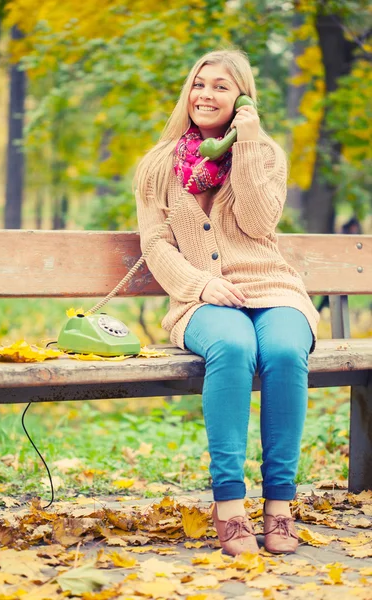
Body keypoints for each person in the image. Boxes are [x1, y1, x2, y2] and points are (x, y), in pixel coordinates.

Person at [133, 49, 320, 556]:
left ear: (241, 97)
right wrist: (199, 285)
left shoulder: (264, 155)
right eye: (199, 84)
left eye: (221, 86)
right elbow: (154, 245)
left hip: (274, 290)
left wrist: (250, 142)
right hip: (201, 300)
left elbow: (260, 223)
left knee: (283, 352)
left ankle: (280, 505)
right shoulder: (157, 167)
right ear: (187, 92)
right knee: (233, 348)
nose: (206, 95)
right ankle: (231, 507)